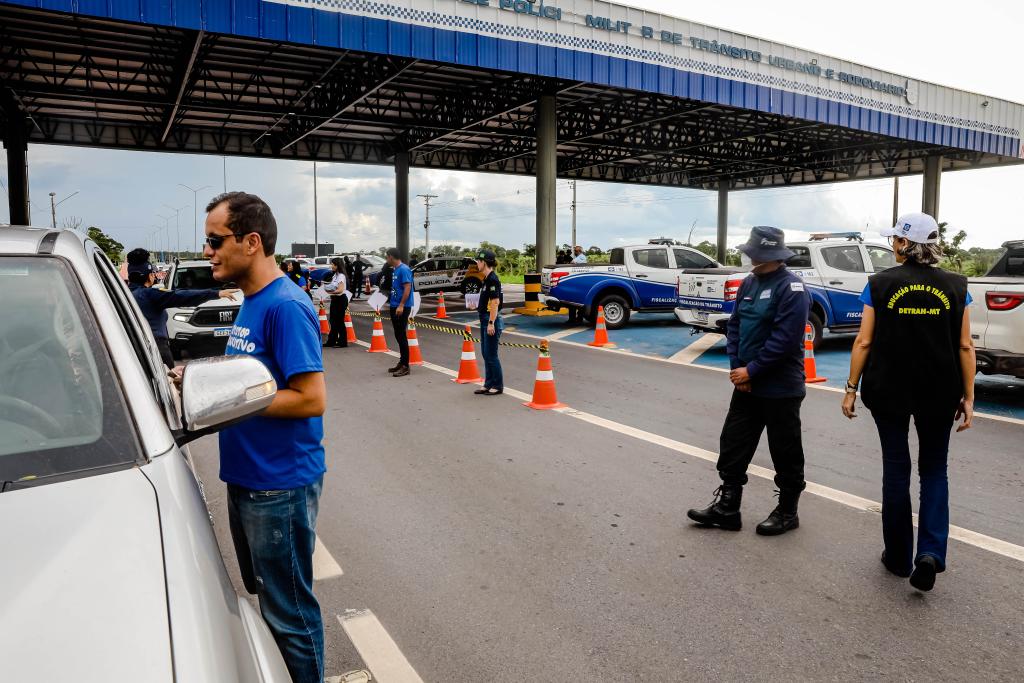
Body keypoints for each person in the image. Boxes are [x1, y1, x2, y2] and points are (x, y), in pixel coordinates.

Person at [202, 192, 327, 683]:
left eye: (216, 241)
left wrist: (230, 396)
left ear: (251, 242)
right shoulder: (251, 302)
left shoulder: (286, 306)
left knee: (290, 614)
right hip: (249, 479)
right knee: (271, 602)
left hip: (278, 487)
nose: (209, 251)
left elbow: (311, 398)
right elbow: (257, 378)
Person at [841, 212, 975, 592]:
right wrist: (969, 395)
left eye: (894, 241)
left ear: (903, 243)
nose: (893, 246)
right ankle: (930, 553)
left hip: (889, 391)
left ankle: (898, 556)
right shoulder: (956, 286)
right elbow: (965, 345)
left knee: (896, 469)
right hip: (939, 391)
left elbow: (864, 341)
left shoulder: (879, 284)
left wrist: (851, 386)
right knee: (934, 470)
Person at [687, 226, 810, 536]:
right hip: (746, 384)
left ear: (768, 254)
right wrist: (737, 369)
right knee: (733, 444)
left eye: (754, 252)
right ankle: (728, 508)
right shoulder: (748, 283)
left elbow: (784, 340)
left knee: (785, 450)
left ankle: (787, 511)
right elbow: (735, 327)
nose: (749, 256)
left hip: (780, 387)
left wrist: (751, 371)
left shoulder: (792, 289)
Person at [125, 247, 238, 368]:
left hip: (133, 349)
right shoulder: (149, 295)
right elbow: (181, 296)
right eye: (152, 273)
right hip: (157, 348)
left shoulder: (123, 294)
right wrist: (216, 293)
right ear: (149, 276)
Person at [474, 249, 504, 396]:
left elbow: (495, 302)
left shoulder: (492, 279)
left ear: (484, 262)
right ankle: (488, 383)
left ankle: (497, 385)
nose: (476, 264)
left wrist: (491, 322)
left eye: (478, 261)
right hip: (485, 318)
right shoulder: (486, 279)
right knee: (486, 354)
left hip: (490, 320)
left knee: (491, 355)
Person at [385, 247, 414, 377]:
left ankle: (405, 365)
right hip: (394, 305)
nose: (386, 260)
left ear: (391, 256)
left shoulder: (404, 269)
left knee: (401, 335)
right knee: (398, 334)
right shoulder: (395, 270)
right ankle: (402, 362)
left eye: (387, 257)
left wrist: (401, 305)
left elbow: (407, 287)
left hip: (401, 307)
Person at [323, 257, 349, 348]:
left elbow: (340, 290)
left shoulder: (341, 276)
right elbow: (333, 286)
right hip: (335, 299)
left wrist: (329, 292)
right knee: (333, 321)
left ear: (337, 265)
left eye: (333, 264)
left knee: (339, 321)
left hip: (340, 299)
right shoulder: (335, 275)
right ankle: (331, 341)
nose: (331, 266)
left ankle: (343, 342)